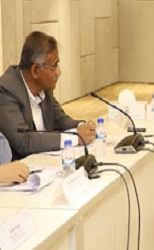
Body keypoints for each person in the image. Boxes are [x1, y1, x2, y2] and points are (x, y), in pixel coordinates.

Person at [0, 31, 96, 160]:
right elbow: (23, 141)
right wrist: (76, 138)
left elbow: (61, 120)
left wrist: (83, 126)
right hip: (21, 167)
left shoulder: (43, 87)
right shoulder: (6, 90)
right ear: (35, 70)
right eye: (54, 66)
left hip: (47, 162)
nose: (58, 72)